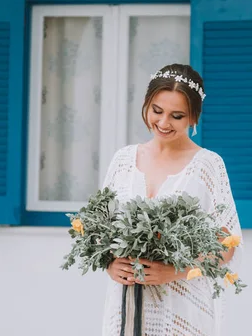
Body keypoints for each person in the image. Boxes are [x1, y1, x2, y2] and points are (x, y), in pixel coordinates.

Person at [100, 64, 243, 335]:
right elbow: (101, 228)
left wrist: (175, 271)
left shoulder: (208, 166)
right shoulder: (123, 160)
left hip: (182, 310)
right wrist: (110, 262)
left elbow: (227, 246)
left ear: (193, 118)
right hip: (125, 308)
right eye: (157, 111)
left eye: (177, 116)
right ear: (146, 105)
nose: (164, 123)